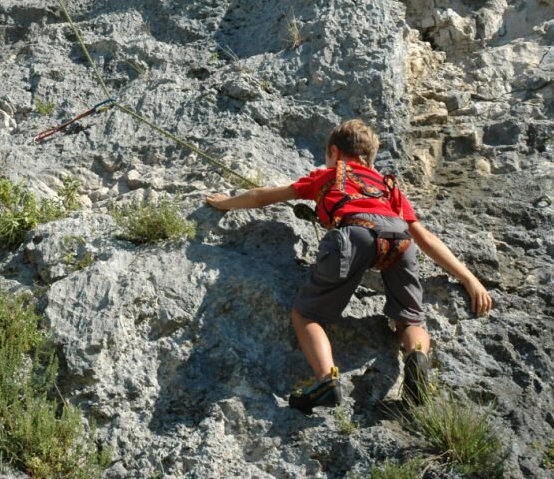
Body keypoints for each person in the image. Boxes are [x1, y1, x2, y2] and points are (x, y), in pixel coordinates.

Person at [206, 118, 492, 413]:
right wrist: (468, 278)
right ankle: (416, 355)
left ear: (334, 151)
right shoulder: (388, 186)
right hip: (399, 239)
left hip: (355, 234)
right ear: (368, 158)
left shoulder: (328, 175)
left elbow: (262, 196)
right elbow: (425, 238)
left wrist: (224, 202)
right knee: (411, 320)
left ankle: (325, 380)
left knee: (306, 313)